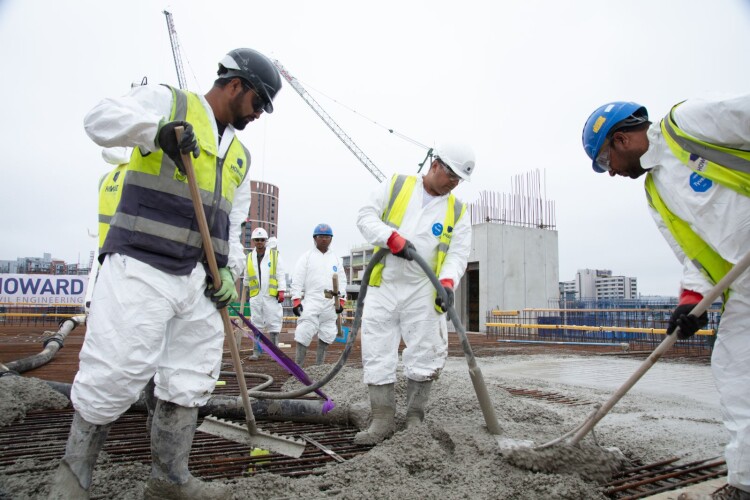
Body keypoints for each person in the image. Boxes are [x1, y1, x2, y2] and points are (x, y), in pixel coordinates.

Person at [49, 48, 282, 500]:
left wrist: (230, 272)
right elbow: (98, 121)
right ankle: (73, 478)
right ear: (236, 86)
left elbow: (232, 222)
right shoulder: (169, 103)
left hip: (200, 282)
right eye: (258, 103)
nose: (257, 115)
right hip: (142, 265)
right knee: (114, 371)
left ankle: (169, 480)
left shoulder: (240, 156)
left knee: (189, 378)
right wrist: (155, 134)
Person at [582, 96, 750, 499]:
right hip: (743, 286)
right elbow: (693, 253)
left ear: (620, 140)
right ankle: (744, 483)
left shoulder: (686, 126)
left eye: (605, 162)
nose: (611, 173)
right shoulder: (656, 191)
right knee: (735, 377)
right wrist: (690, 300)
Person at [354, 141, 475, 444]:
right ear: (436, 165)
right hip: (385, 284)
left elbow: (458, 254)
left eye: (459, 180)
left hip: (423, 287)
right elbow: (365, 216)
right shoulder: (396, 185)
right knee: (377, 349)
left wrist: (447, 283)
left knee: (425, 350)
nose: (454, 184)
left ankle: (414, 418)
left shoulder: (457, 210)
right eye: (452, 176)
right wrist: (390, 238)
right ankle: (382, 419)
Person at [290, 223, 347, 367]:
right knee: (304, 332)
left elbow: (343, 281)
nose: (324, 240)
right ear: (314, 238)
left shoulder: (335, 259)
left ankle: (319, 367)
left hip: (330, 302)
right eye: (321, 237)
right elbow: (297, 279)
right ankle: (299, 366)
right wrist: (296, 300)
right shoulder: (306, 258)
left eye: (327, 237)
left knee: (328, 333)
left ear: (331, 239)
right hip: (312, 301)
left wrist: (341, 301)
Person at [244, 227, 287, 359]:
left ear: (265, 241)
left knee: (273, 322)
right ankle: (257, 351)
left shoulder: (274, 255)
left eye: (262, 240)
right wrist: (246, 288)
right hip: (256, 295)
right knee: (256, 322)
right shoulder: (250, 257)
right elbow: (247, 275)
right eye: (257, 240)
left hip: (271, 295)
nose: (259, 242)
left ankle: (275, 353)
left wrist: (281, 290)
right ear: (253, 241)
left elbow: (280, 273)